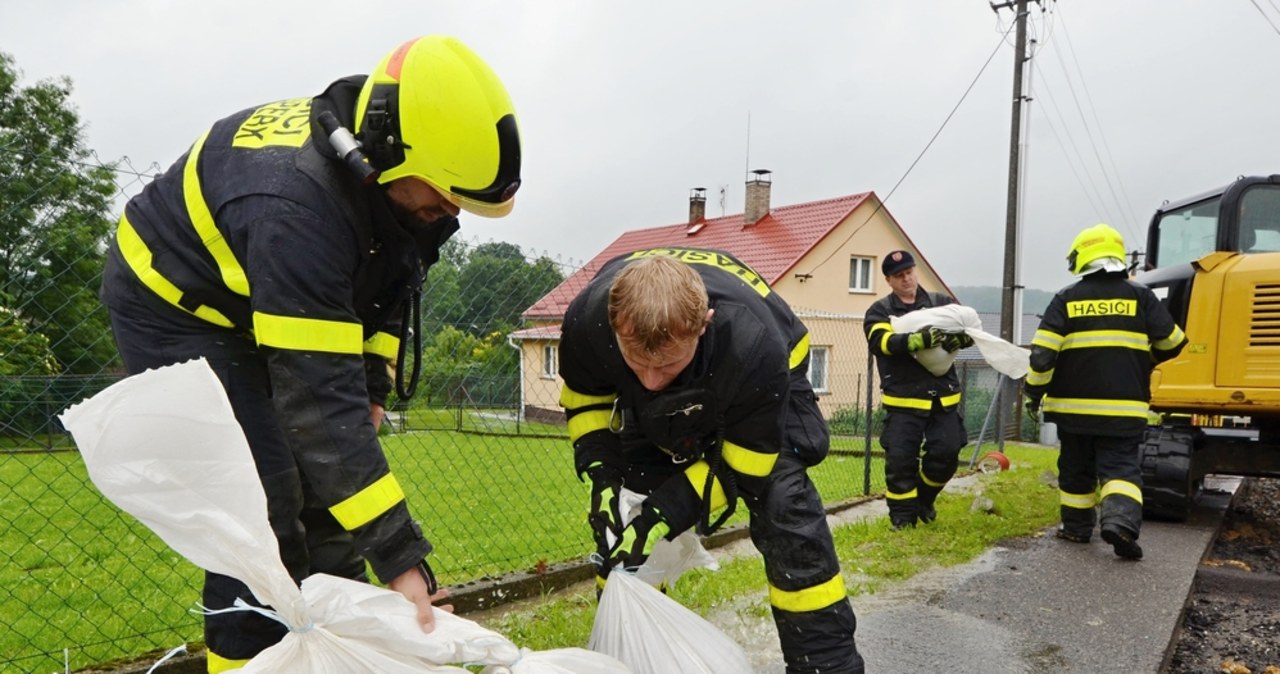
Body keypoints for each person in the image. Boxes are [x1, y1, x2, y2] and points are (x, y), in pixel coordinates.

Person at [98, 36, 521, 672]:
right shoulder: (297, 210)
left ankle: (337, 653)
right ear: (386, 156)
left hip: (264, 289)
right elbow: (320, 408)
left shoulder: (400, 178)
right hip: (177, 306)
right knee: (262, 511)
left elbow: (387, 294)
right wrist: (404, 563)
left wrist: (374, 390)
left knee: (327, 499)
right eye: (439, 198)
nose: (448, 213)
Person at [559, 248, 864, 674]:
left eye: (664, 364)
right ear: (613, 327)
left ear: (703, 325)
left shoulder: (754, 344)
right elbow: (587, 400)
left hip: (763, 382)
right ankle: (630, 660)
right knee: (626, 521)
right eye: (636, 361)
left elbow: (746, 465)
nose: (650, 380)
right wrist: (601, 480)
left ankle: (827, 665)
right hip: (691, 364)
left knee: (784, 506)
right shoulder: (586, 322)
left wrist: (663, 516)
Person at [1025, 224, 1187, 559]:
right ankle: (1119, 522)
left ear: (1082, 257)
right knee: (1121, 469)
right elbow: (1174, 342)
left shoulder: (1066, 299)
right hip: (1123, 409)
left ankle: (1076, 529)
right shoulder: (1140, 296)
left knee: (1075, 468)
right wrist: (1144, 359)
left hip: (1073, 411)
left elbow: (1042, 357)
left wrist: (1033, 393)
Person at [864, 249, 974, 530]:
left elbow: (967, 329)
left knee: (947, 455)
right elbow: (879, 342)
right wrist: (912, 341)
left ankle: (924, 500)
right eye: (899, 276)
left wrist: (960, 341)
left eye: (909, 272)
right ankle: (902, 520)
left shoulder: (940, 302)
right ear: (888, 280)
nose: (906, 279)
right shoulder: (880, 311)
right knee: (900, 463)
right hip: (903, 401)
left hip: (943, 399)